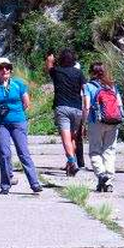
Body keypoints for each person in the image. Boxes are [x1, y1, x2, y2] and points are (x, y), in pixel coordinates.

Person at [0, 57, 43, 194]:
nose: (4, 70)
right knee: (4, 154)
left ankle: (34, 183)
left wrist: (16, 113)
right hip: (1, 123)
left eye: (6, 67)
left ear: (10, 70)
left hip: (18, 122)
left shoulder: (18, 84)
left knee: (23, 152)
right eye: (1, 68)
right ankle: (5, 185)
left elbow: (26, 103)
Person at [83, 62, 123, 192]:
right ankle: (109, 182)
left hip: (96, 121)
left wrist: (84, 122)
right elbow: (119, 105)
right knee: (109, 150)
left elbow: (87, 106)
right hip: (113, 121)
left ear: (91, 72)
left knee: (95, 150)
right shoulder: (112, 86)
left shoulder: (88, 86)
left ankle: (101, 174)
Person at [46, 49, 86, 177]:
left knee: (66, 138)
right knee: (73, 138)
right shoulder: (79, 73)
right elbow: (84, 90)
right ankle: (71, 164)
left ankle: (72, 162)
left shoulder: (57, 71)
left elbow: (49, 67)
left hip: (62, 107)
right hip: (77, 108)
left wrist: (50, 59)